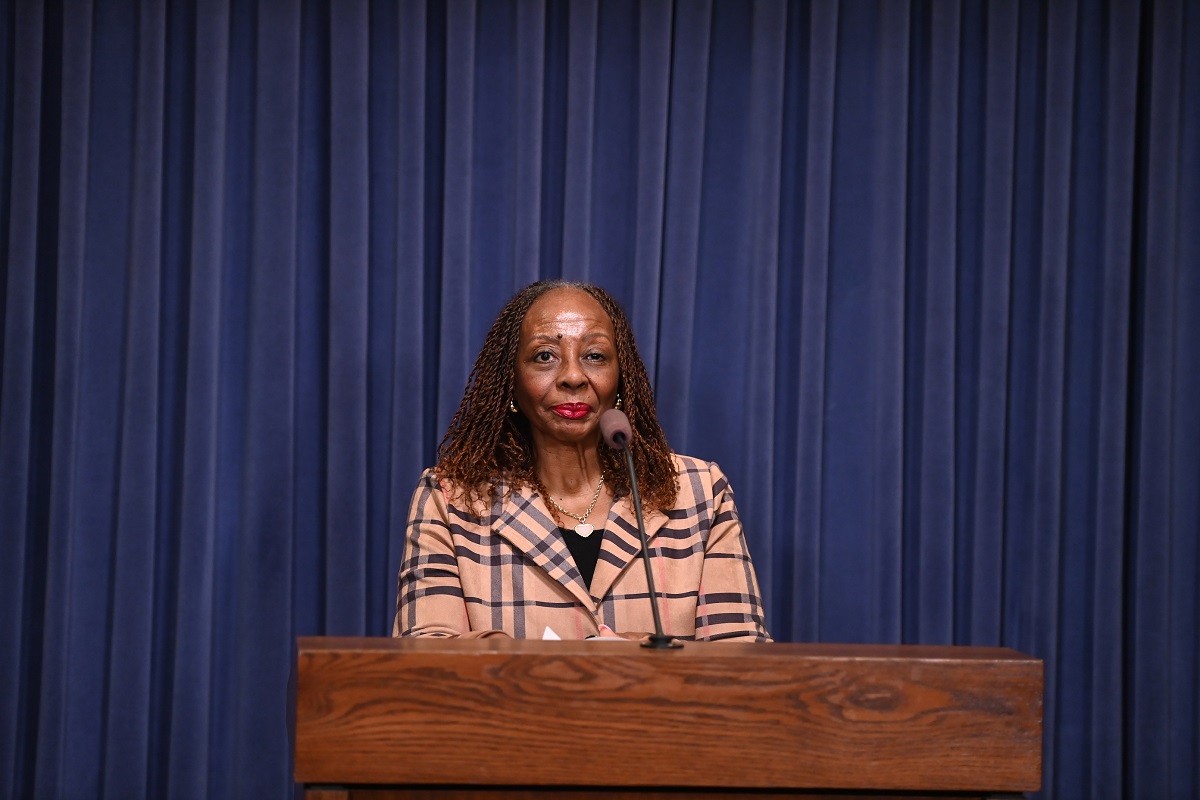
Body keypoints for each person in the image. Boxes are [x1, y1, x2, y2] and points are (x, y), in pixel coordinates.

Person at [393, 280, 770, 642]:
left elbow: (742, 660)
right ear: (512, 383)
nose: (573, 376)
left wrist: (645, 655)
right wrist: (566, 666)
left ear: (620, 380)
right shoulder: (452, 499)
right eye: (544, 356)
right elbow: (424, 656)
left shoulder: (699, 492)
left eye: (594, 356)